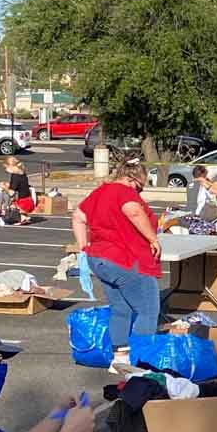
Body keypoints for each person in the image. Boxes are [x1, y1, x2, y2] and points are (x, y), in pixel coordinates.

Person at [71, 158, 162, 371]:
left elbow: (78, 216)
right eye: (141, 185)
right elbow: (133, 211)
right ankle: (142, 359)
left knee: (120, 308)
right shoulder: (126, 193)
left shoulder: (99, 192)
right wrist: (152, 238)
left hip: (99, 258)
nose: (140, 191)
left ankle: (119, 358)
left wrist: (83, 246)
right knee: (147, 310)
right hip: (125, 258)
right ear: (133, 179)